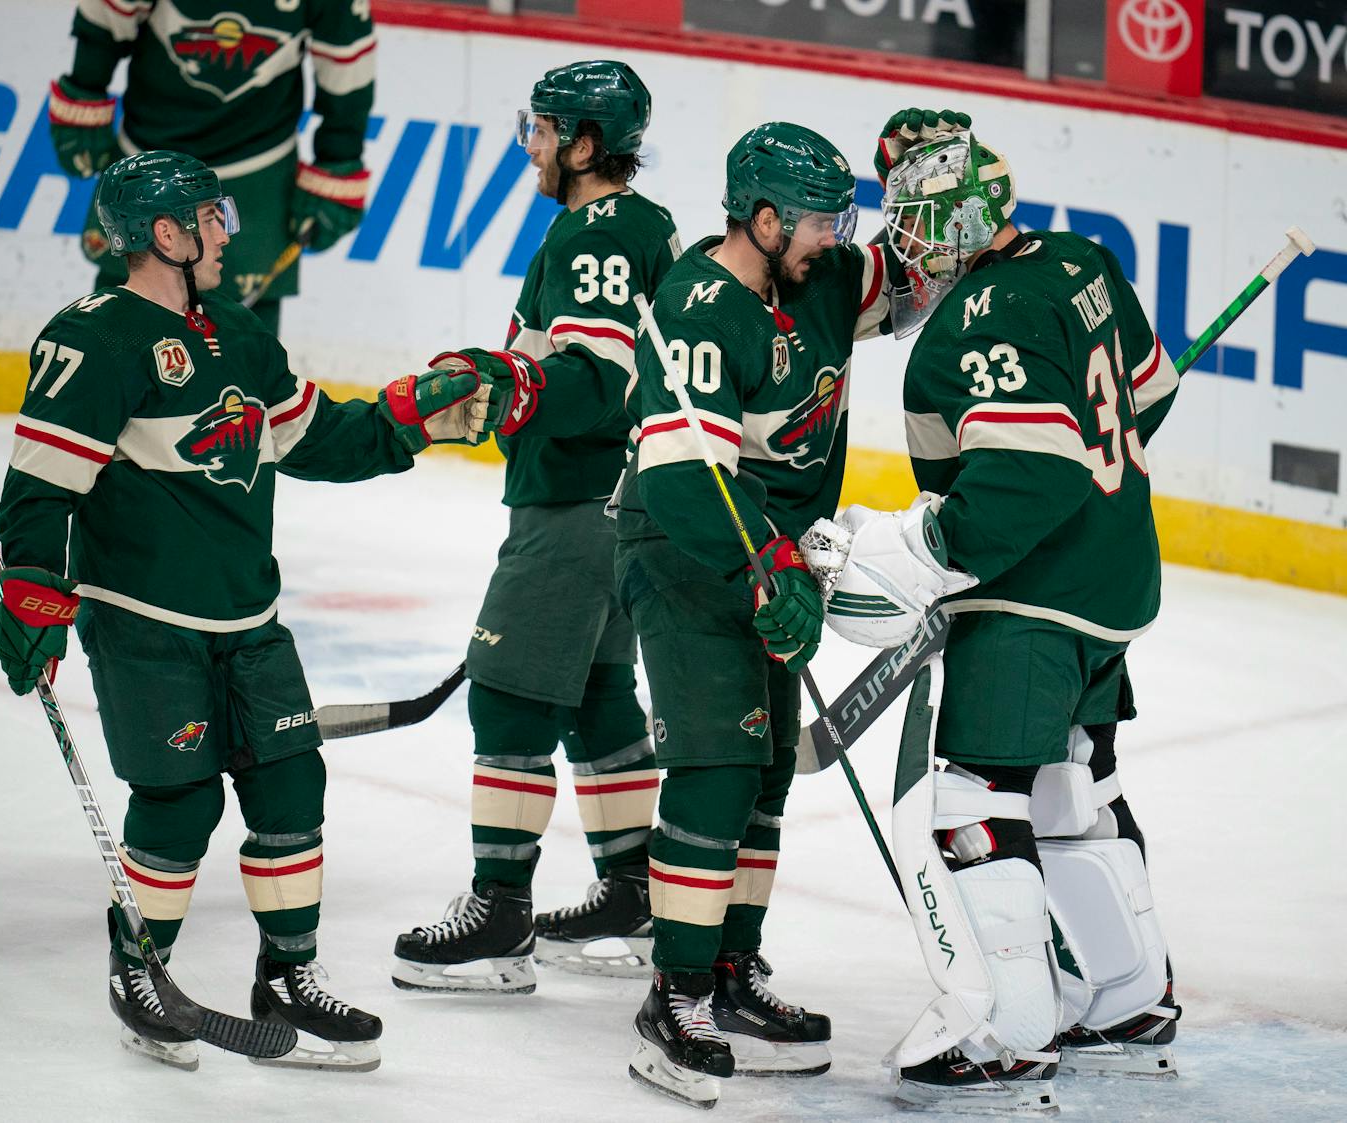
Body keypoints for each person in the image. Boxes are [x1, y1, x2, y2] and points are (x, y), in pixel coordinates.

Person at [0, 150, 489, 1072]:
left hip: (247, 614)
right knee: (177, 804)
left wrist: (409, 420)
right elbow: (40, 488)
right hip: (143, 617)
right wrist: (31, 588)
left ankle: (287, 977)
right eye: (213, 219)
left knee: (293, 784)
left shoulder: (239, 333)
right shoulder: (94, 337)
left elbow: (313, 435)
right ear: (166, 236)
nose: (228, 231)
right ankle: (142, 972)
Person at [812, 131, 1183, 1113]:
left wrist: (921, 548)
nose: (907, 247)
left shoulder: (973, 317)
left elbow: (1024, 475)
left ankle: (1006, 1029)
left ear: (958, 222)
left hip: (1027, 599)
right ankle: (1125, 995)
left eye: (919, 225)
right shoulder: (1077, 260)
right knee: (1068, 790)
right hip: (1113, 581)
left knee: (970, 800)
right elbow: (1148, 392)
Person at [615, 115, 953, 1107]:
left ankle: (729, 971)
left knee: (765, 770)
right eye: (817, 219)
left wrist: (923, 192)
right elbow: (683, 488)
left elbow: (916, 276)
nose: (832, 236)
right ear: (762, 220)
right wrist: (769, 560)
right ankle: (671, 996)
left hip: (769, 559)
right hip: (684, 550)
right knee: (717, 764)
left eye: (841, 217)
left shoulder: (819, 281)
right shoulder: (697, 306)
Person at [389, 61, 681, 994]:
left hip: (578, 502)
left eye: (548, 130)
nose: (534, 145)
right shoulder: (633, 225)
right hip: (624, 500)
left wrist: (506, 381)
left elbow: (594, 381)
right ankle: (633, 890)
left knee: (511, 693)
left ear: (587, 146)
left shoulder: (599, 230)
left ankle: (499, 912)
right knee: (598, 695)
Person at [47, 0, 375, 334]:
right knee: (117, 340)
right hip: (150, 162)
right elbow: (108, 17)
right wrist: (86, 84)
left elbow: (346, 58)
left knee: (247, 362)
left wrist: (339, 156)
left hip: (256, 175)